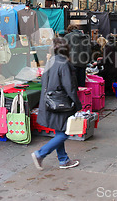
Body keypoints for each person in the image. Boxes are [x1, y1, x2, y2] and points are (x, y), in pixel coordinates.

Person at [32, 38, 82, 170]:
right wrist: (78, 105)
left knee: (59, 131)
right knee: (63, 133)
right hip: (61, 104)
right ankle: (40, 154)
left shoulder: (50, 62)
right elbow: (70, 87)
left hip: (50, 102)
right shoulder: (64, 64)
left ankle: (63, 160)